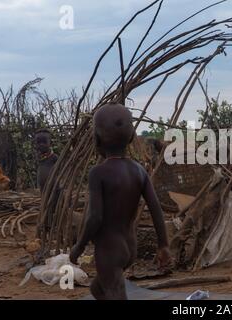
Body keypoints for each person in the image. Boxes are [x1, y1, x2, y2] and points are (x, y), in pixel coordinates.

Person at [69, 103, 171, 300]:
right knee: (98, 289)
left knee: (115, 292)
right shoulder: (139, 170)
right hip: (130, 246)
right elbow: (156, 209)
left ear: (96, 139)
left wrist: (80, 246)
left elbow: (95, 217)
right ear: (132, 137)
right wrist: (163, 245)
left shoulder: (98, 173)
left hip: (109, 249)